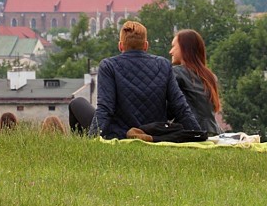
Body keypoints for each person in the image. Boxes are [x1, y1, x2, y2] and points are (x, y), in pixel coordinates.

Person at [68, 21, 199, 139]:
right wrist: (198, 134)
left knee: (77, 103)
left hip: (120, 134)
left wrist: (93, 139)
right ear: (146, 46)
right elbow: (180, 107)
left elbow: (105, 108)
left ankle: (82, 144)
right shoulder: (163, 65)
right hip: (154, 132)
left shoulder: (109, 66)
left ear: (120, 46)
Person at [169, 29, 223, 136]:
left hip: (192, 132)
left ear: (185, 48)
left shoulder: (177, 73)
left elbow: (169, 109)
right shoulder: (210, 76)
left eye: (174, 46)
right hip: (214, 131)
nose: (171, 51)